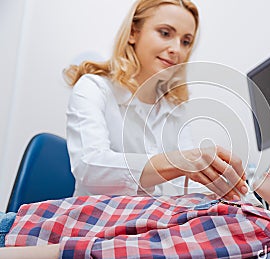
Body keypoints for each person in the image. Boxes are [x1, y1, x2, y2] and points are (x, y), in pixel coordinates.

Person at [1, 133, 270, 259]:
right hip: (29, 229)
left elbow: (108, 257)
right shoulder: (256, 220)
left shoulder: (258, 232)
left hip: (22, 242)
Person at [63, 0, 247, 199]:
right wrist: (178, 161)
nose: (176, 49)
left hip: (151, 222)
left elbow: (183, 184)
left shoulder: (174, 108)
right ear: (133, 33)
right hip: (99, 221)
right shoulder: (94, 88)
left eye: (185, 42)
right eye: (165, 33)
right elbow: (90, 168)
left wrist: (217, 192)